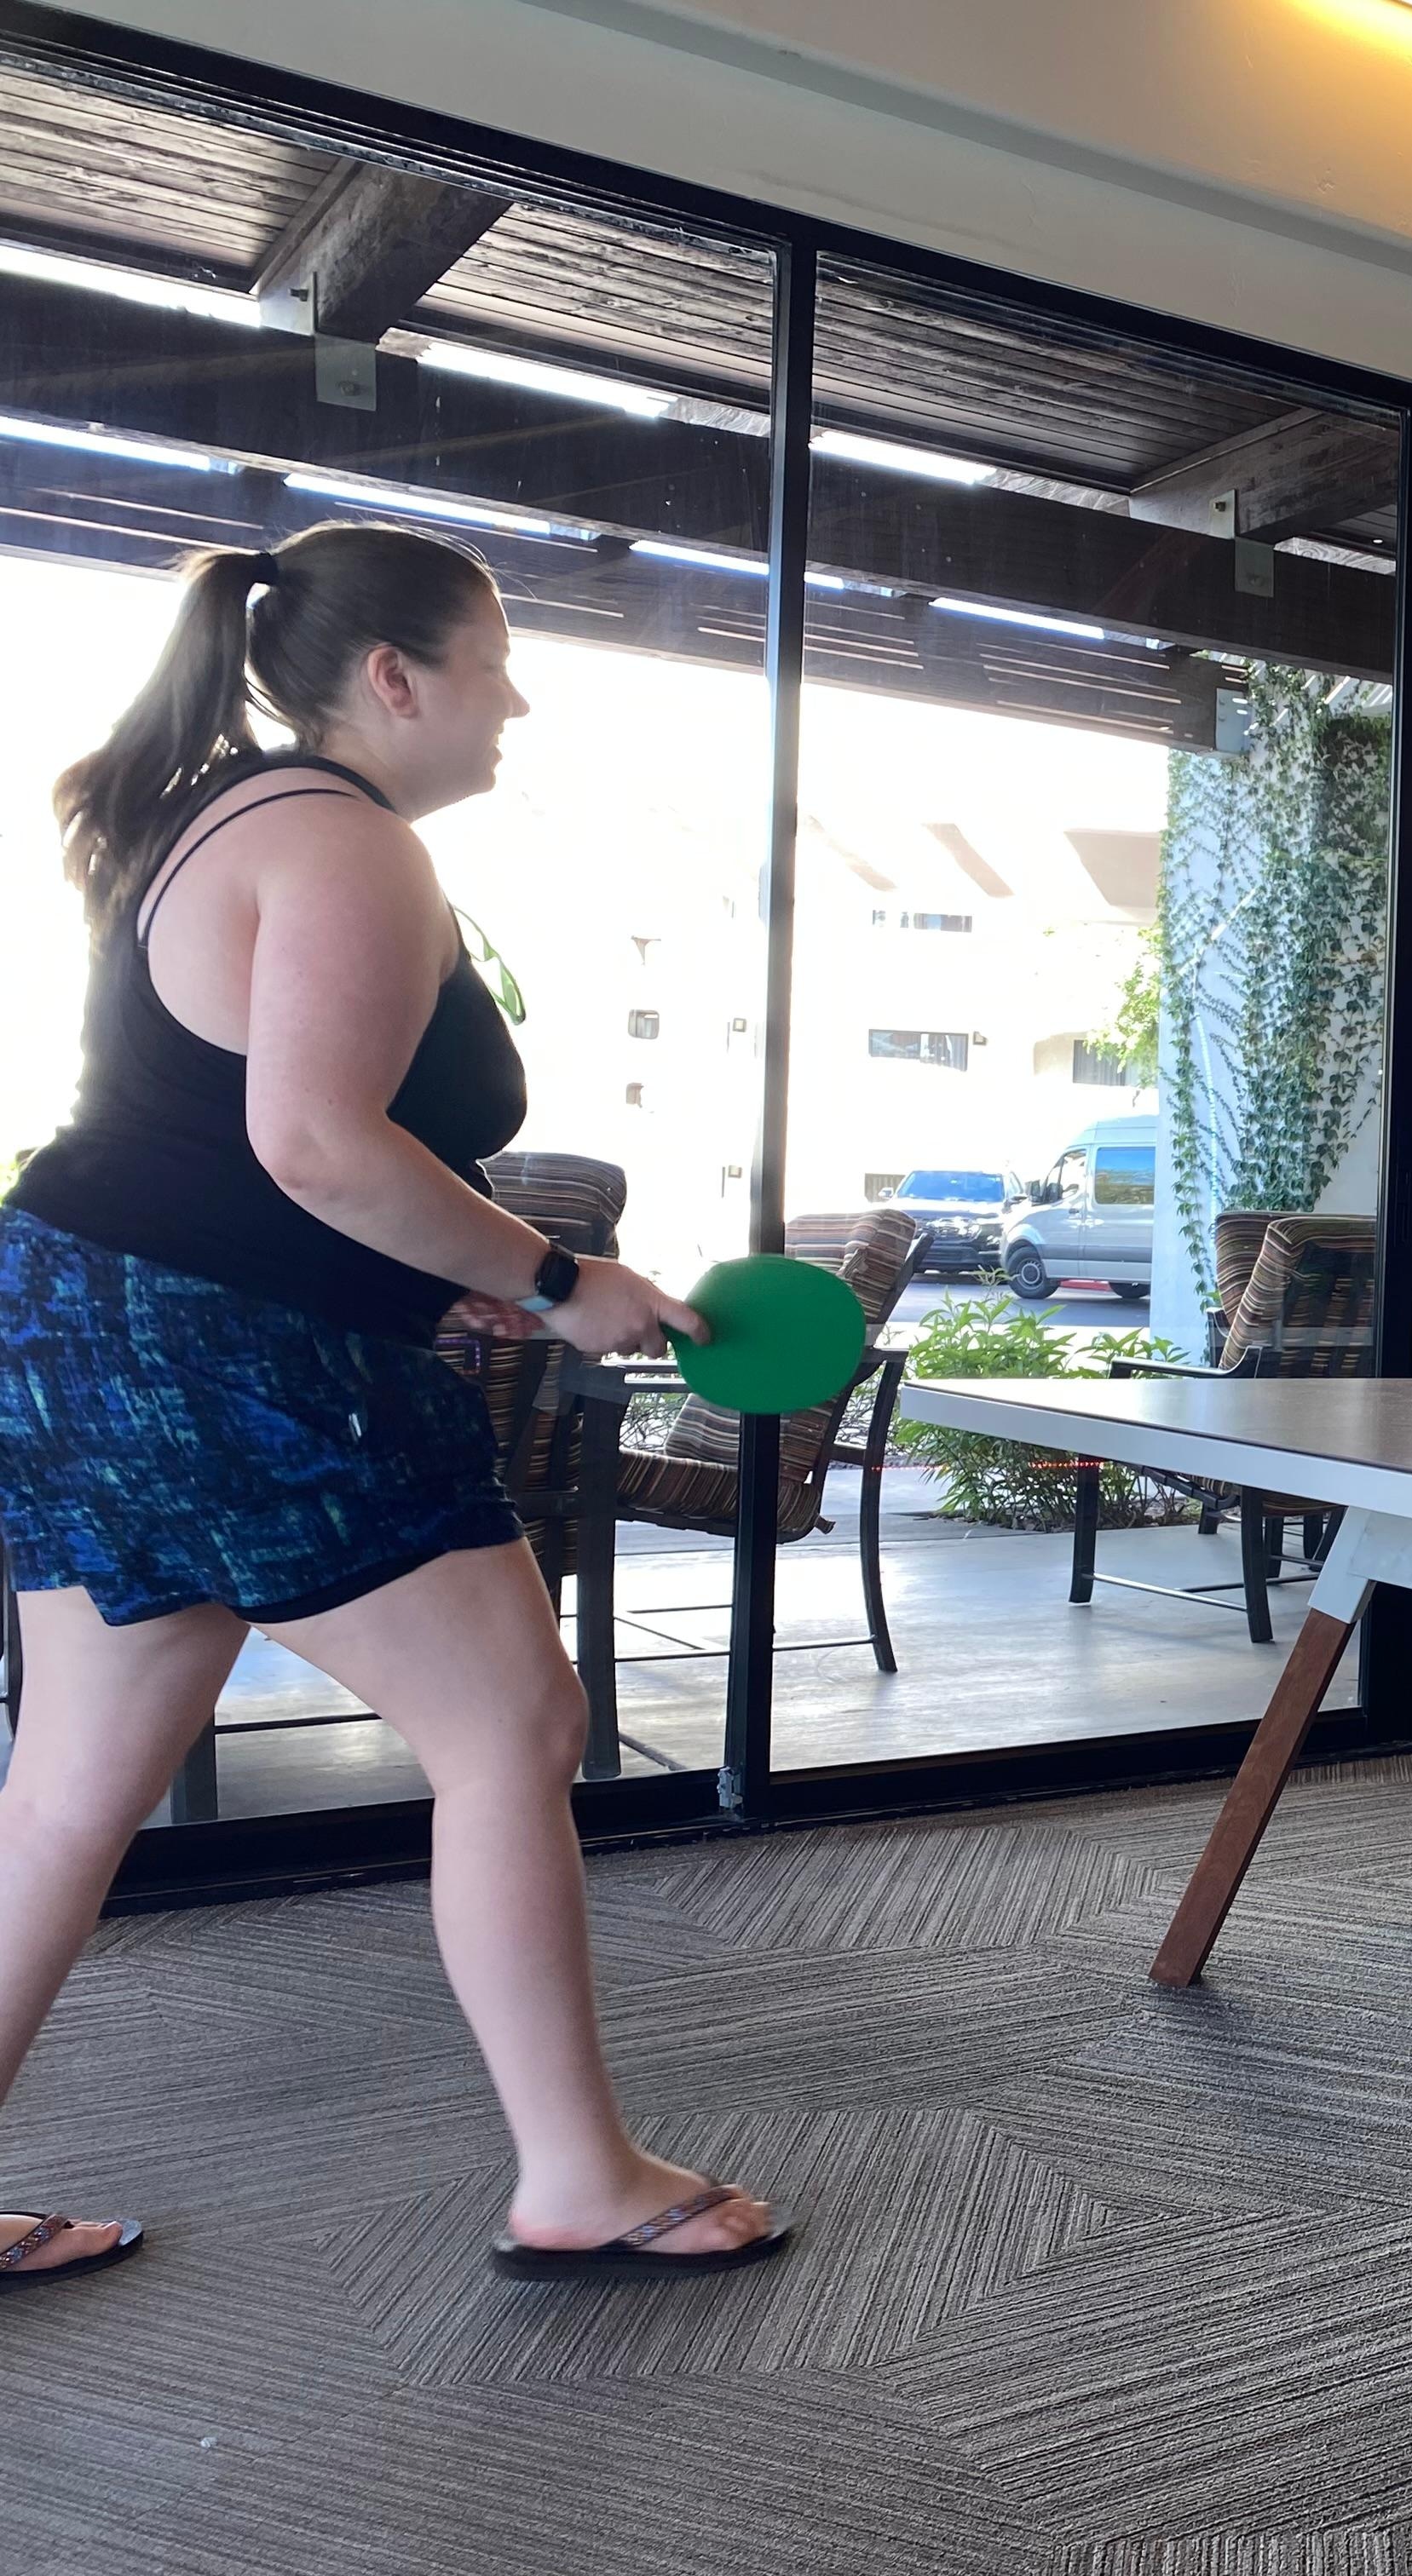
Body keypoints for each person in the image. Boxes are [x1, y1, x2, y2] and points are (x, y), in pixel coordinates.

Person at [0, 526, 787, 2291]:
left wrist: (475, 1271)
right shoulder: (345, 840)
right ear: (396, 678)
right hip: (228, 1346)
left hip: (73, 1312)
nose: (519, 698)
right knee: (511, 1726)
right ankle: (577, 2176)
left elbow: (239, 1140)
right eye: (495, 660)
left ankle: (577, 2163)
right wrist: (551, 1281)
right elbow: (314, 1146)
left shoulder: (219, 816)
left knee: (65, 1789)